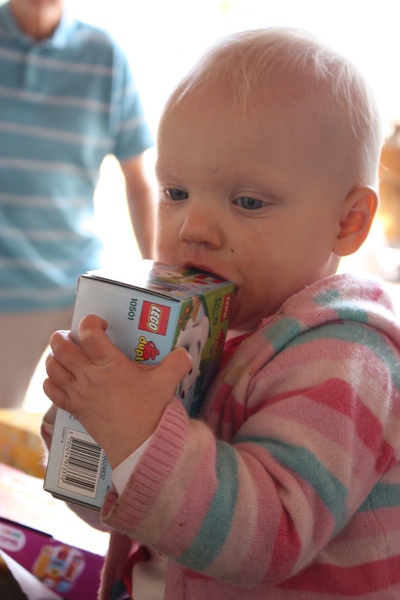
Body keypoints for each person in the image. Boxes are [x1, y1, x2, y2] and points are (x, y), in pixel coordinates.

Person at [41, 27, 400, 599]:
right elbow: (147, 517)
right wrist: (88, 435)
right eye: (176, 192)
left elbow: (269, 540)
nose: (193, 229)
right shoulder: (207, 330)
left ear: (348, 222)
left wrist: (136, 433)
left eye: (248, 202)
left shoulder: (344, 356)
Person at [0, 0, 155, 409]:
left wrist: (161, 278)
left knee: (89, 433)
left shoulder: (104, 56)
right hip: (6, 294)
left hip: (78, 287)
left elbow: (139, 182)